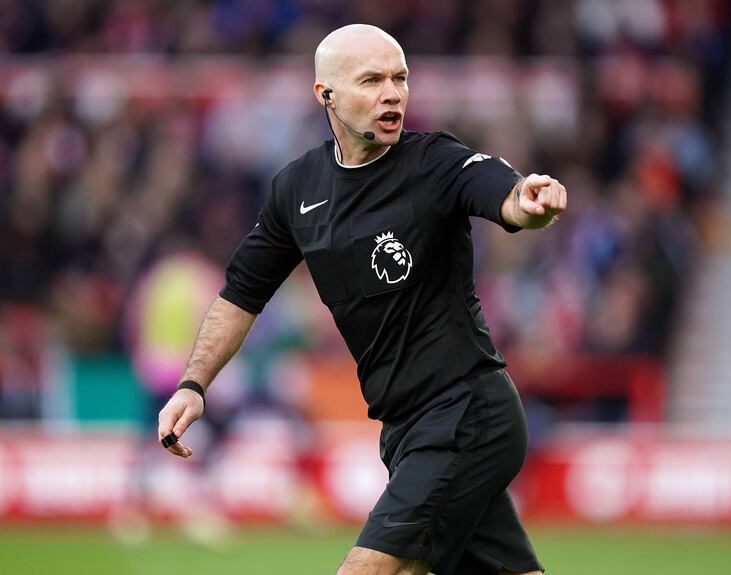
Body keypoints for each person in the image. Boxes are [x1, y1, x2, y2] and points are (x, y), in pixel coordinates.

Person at [158, 23, 565, 575]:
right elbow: (241, 295)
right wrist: (193, 384)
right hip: (404, 430)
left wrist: (527, 199)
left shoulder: (435, 163)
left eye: (399, 78)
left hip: (465, 413)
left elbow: (502, 192)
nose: (392, 92)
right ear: (326, 94)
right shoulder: (296, 190)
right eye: (371, 80)